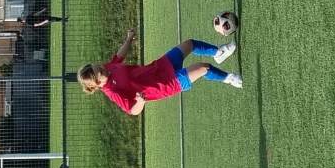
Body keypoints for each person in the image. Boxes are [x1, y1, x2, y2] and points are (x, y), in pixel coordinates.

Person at [78, 23, 242, 116]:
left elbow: (118, 58)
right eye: (100, 72)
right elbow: (132, 110)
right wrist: (140, 102)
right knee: (204, 68)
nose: (103, 68)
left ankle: (218, 53)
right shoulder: (113, 91)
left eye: (99, 66)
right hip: (165, 84)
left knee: (189, 44)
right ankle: (231, 79)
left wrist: (128, 40)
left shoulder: (108, 68)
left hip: (160, 66)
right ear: (98, 84)